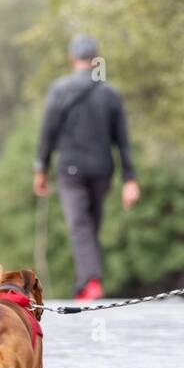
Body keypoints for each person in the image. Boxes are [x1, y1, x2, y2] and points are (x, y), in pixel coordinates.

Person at [34, 34, 140, 300]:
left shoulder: (60, 90)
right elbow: (123, 141)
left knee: (80, 225)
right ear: (96, 56)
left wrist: (41, 168)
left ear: (72, 57)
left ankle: (91, 280)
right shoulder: (110, 93)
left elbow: (47, 133)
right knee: (90, 225)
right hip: (103, 169)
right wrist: (130, 179)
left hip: (70, 169)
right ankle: (84, 283)